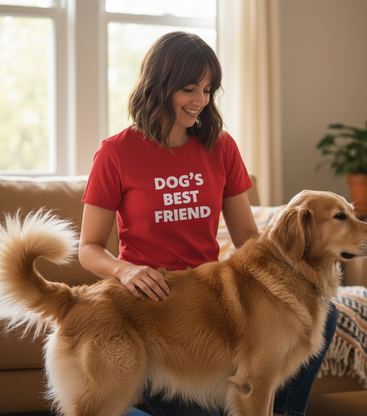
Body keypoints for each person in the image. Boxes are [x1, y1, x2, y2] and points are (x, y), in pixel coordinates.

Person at [79, 31, 338, 416]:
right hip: (159, 312)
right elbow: (89, 248)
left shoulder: (221, 147)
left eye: (208, 90)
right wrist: (125, 270)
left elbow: (250, 238)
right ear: (159, 85)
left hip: (212, 303)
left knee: (325, 312)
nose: (200, 101)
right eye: (189, 89)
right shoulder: (116, 153)